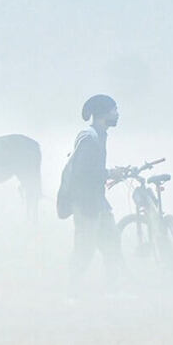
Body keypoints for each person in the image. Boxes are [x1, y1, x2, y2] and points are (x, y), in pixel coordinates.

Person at [65, 95, 122, 289]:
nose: (117, 114)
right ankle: (71, 292)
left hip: (98, 202)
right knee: (85, 248)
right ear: (103, 113)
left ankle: (112, 290)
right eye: (114, 110)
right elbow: (84, 172)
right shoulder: (90, 139)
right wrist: (109, 173)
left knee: (112, 243)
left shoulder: (99, 135)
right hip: (86, 204)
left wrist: (110, 173)